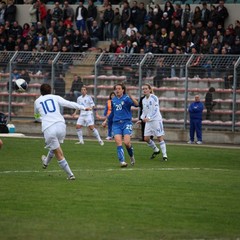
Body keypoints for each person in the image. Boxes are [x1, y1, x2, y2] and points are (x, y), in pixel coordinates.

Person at [34, 83, 91, 180]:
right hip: (61, 126)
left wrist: (43, 119)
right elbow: (69, 103)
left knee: (58, 153)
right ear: (50, 90)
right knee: (55, 147)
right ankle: (46, 162)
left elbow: (36, 117)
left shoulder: (37, 101)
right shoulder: (55, 97)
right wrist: (83, 107)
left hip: (49, 128)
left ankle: (70, 175)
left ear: (40, 91)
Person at [102, 83, 138, 168]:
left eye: (119, 88)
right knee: (118, 142)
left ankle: (131, 156)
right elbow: (112, 113)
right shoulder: (113, 100)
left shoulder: (126, 98)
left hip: (126, 123)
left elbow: (136, 104)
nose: (117, 90)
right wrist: (106, 121)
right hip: (116, 124)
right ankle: (122, 161)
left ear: (123, 90)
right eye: (116, 89)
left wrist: (131, 97)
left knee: (127, 143)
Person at [136, 84, 168, 161]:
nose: (144, 90)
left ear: (150, 90)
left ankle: (164, 155)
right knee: (146, 138)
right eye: (143, 89)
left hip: (156, 120)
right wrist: (141, 119)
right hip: (148, 121)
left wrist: (149, 117)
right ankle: (156, 150)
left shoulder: (154, 97)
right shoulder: (143, 100)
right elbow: (144, 111)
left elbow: (156, 110)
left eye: (146, 88)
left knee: (159, 137)